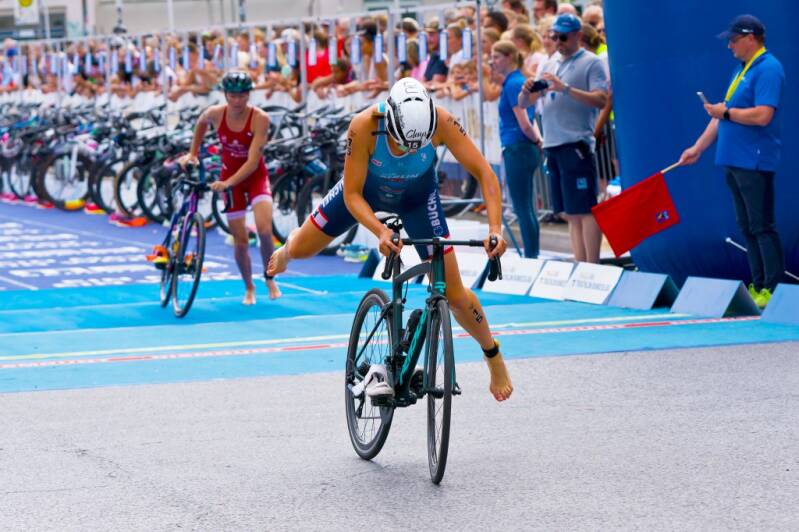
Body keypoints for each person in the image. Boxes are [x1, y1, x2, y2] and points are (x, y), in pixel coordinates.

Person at [268, 77, 514, 402]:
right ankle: (285, 252)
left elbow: (485, 173)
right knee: (300, 249)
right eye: (402, 144)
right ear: (389, 120)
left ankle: (493, 356)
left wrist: (495, 228)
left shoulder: (442, 120)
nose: (409, 150)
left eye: (418, 145)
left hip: (417, 200)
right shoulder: (364, 125)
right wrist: (380, 231)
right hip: (364, 195)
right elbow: (353, 193)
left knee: (453, 292)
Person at [679, 15, 785, 308]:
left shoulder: (769, 68)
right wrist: (697, 148)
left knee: (761, 225)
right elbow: (722, 114)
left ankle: (773, 289)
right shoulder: (743, 70)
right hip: (735, 160)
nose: (729, 45)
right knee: (748, 226)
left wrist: (725, 113)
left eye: (734, 40)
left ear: (750, 38)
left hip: (754, 160)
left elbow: (763, 114)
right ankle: (760, 285)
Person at [179, 71, 282, 304]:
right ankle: (249, 287)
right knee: (240, 239)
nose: (237, 101)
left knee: (265, 230)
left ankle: (269, 277)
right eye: (233, 96)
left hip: (254, 177)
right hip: (229, 177)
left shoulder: (260, 118)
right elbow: (201, 123)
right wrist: (193, 153)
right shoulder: (215, 113)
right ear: (225, 95)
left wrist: (227, 183)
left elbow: (253, 161)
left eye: (242, 96)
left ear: (249, 95)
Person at [518, 13, 609, 263]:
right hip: (553, 143)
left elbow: (602, 99)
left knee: (585, 207)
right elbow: (527, 102)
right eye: (554, 36)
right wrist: (526, 92)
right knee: (569, 211)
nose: (558, 41)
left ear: (578, 36)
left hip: (576, 142)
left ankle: (593, 263)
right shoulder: (548, 63)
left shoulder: (591, 62)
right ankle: (579, 261)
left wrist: (565, 88)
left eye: (563, 37)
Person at [492, 40, 543, 258]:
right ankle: (532, 253)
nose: (493, 61)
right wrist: (537, 140)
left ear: (510, 57)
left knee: (523, 207)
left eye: (497, 57)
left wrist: (537, 141)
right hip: (522, 147)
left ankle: (531, 256)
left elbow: (524, 121)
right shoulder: (515, 82)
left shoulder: (514, 83)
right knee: (526, 206)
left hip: (518, 147)